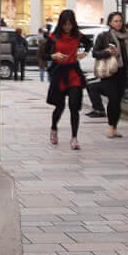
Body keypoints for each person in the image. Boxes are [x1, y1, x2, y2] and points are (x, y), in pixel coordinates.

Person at [91, 11, 128, 138]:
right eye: (115, 21)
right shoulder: (104, 36)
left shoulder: (127, 37)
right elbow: (95, 53)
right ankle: (110, 127)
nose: (118, 23)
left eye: (120, 21)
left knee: (117, 101)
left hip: (122, 73)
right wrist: (108, 53)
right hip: (109, 73)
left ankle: (114, 127)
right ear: (110, 22)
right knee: (113, 99)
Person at [45, 9, 87, 150]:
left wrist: (83, 53)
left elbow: (89, 44)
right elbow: (44, 54)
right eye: (64, 24)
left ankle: (74, 138)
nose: (67, 27)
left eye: (69, 24)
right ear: (61, 24)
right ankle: (54, 128)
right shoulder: (54, 37)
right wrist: (54, 56)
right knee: (60, 106)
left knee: (74, 106)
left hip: (73, 72)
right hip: (59, 73)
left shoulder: (78, 35)